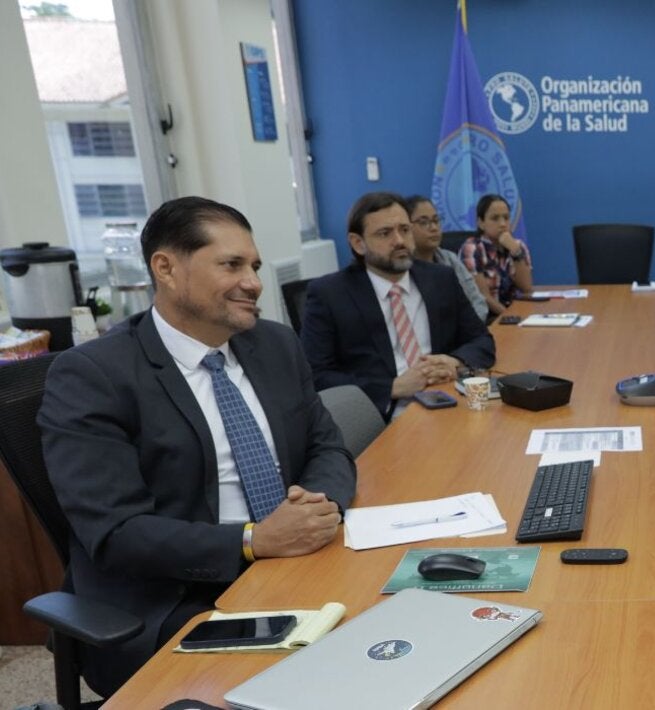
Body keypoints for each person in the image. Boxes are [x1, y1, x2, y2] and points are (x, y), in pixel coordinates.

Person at [37, 196, 357, 696]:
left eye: (253, 265)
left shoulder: (274, 344)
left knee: (394, 634)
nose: (253, 281)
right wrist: (253, 540)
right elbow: (116, 532)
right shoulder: (93, 375)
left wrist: (318, 506)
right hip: (172, 601)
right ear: (165, 267)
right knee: (318, 686)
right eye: (231, 264)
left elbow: (327, 447)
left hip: (295, 563)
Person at [303, 191, 495, 418]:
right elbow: (316, 375)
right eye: (385, 233)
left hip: (446, 401)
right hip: (381, 416)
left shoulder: (441, 278)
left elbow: (482, 340)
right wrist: (392, 387)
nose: (400, 241)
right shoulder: (330, 295)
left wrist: (454, 361)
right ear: (358, 243)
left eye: (404, 230)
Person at [404, 194, 490, 322]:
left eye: (436, 220)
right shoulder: (403, 267)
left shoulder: (450, 259)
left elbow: (478, 302)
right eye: (424, 222)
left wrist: (468, 331)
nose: (433, 228)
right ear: (406, 228)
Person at [458, 194, 533, 316]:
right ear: (481, 223)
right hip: (486, 318)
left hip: (513, 313)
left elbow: (526, 288)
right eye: (495, 218)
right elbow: (483, 296)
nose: (503, 224)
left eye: (506, 218)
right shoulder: (472, 248)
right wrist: (509, 316)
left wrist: (516, 253)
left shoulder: (517, 246)